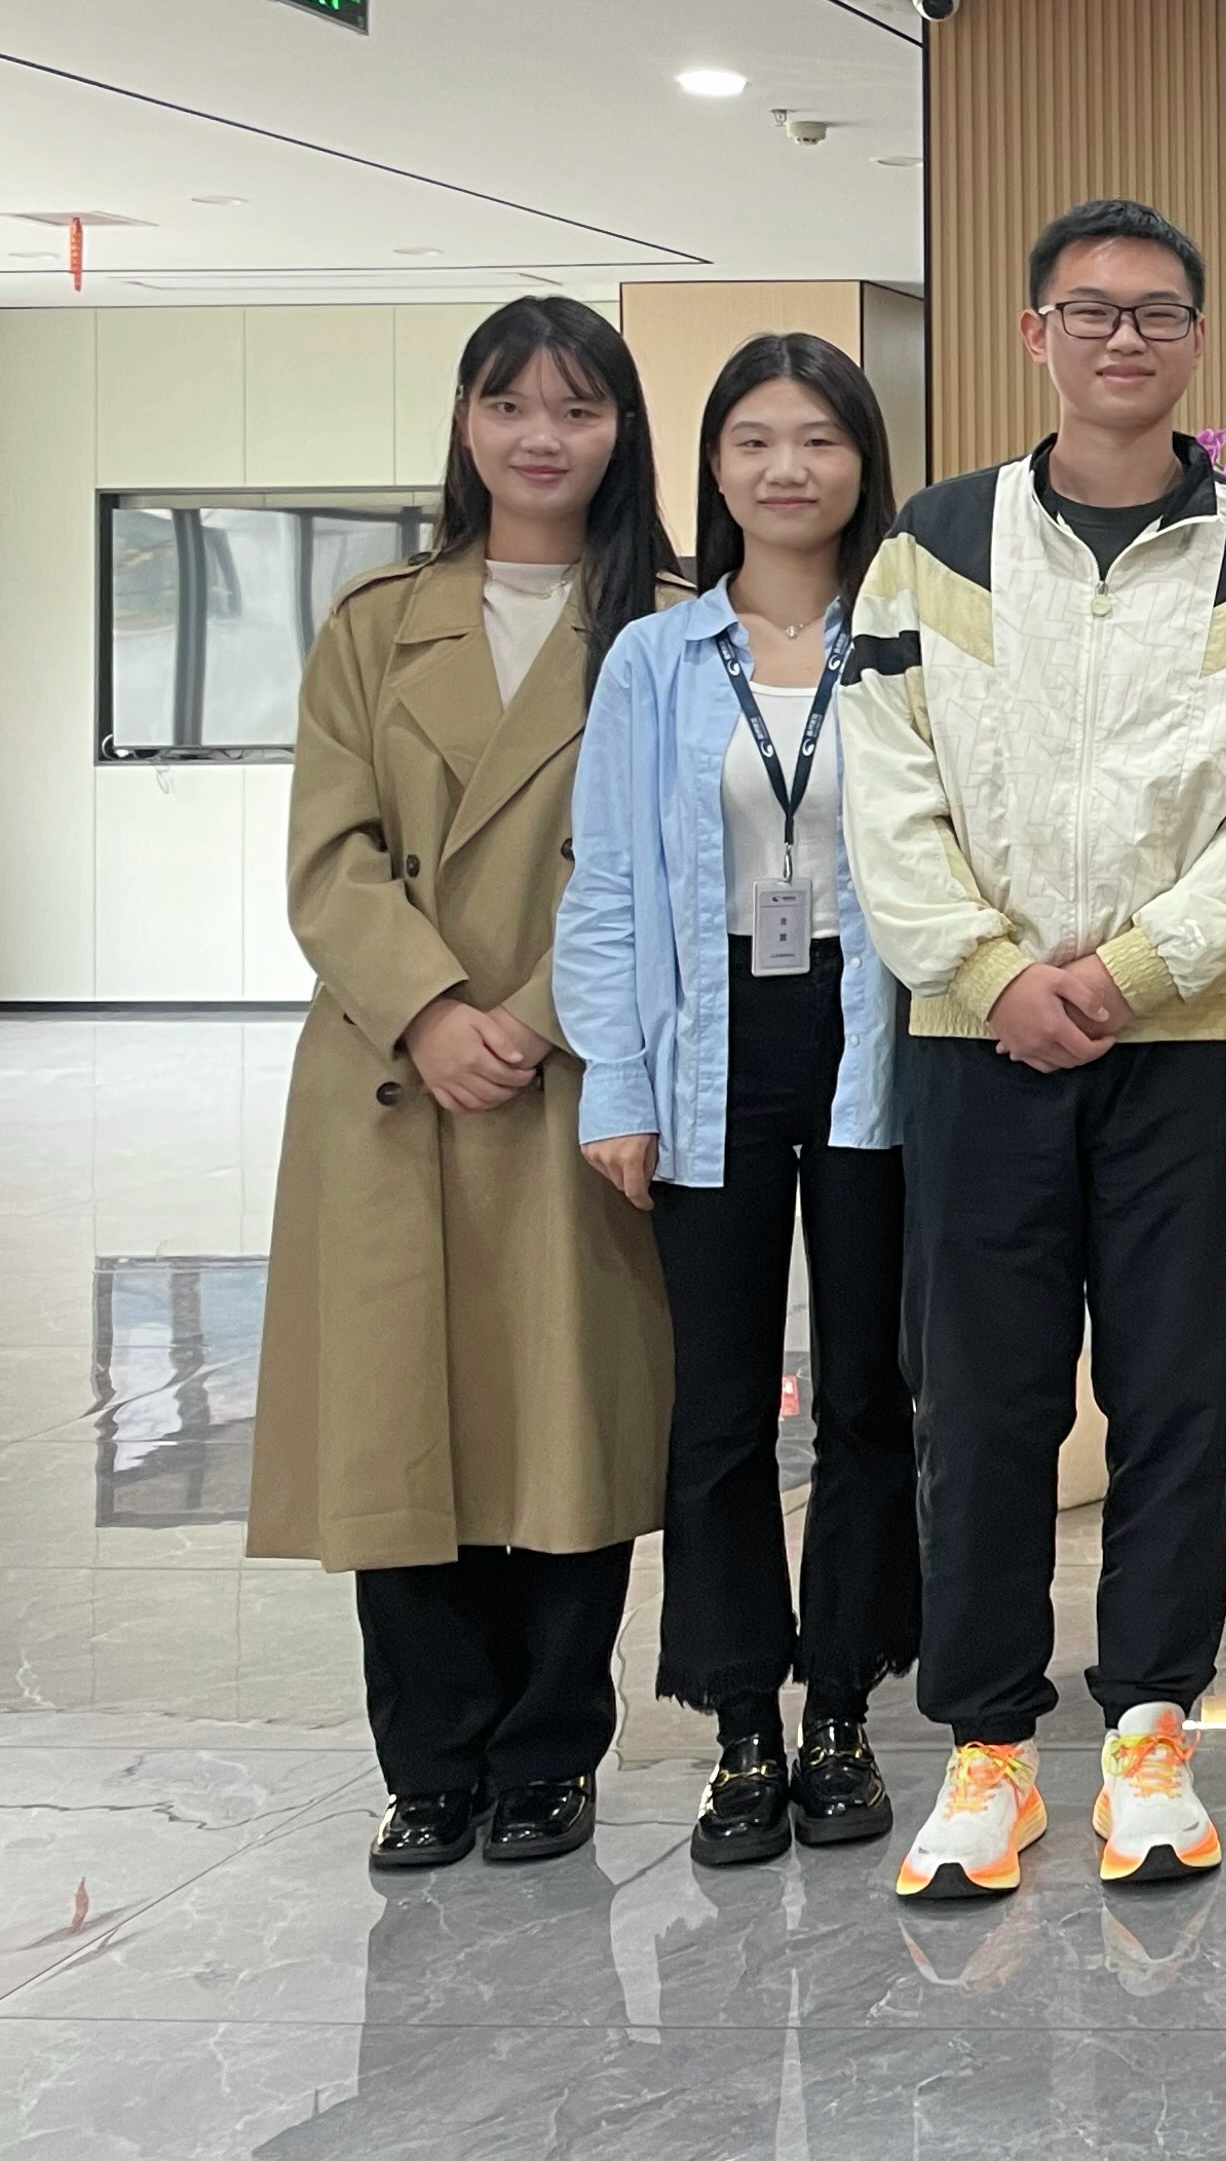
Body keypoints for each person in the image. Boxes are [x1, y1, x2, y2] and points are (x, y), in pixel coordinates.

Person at [842, 197, 1226, 1904]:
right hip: (973, 1044)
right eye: (1091, 310)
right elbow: (887, 789)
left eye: (1156, 313)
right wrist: (989, 972)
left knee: (1177, 1398)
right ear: (1034, 334)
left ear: (1198, 340)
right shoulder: (932, 544)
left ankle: (1150, 1730)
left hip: (1185, 1050)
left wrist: (1132, 971)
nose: (1124, 337)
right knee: (981, 1404)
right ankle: (989, 1748)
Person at [250, 297, 684, 1873]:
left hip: (579, 1070)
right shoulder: (377, 623)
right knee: (402, 1426)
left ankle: (549, 1753)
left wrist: (540, 1012)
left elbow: (680, 861)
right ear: (466, 421)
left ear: (623, 429)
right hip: (395, 1076)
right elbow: (331, 854)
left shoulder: (666, 626)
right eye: (510, 405)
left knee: (569, 1423)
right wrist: (432, 1009)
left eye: (576, 407)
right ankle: (428, 1763)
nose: (541, 437)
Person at [557, 333, 916, 1872]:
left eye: (819, 438)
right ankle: (741, 1728)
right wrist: (614, 1083)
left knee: (867, 1397)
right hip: (706, 1038)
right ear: (713, 465)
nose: (788, 468)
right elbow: (607, 885)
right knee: (717, 1405)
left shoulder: (904, 643)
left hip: (873, 1030)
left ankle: (840, 1711)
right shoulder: (655, 659)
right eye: (755, 439)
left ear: (861, 462)